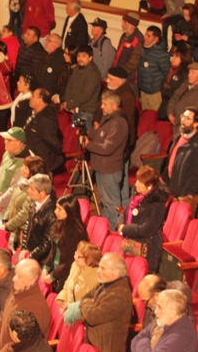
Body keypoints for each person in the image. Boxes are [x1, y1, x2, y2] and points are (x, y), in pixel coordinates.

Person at [79, 252, 134, 352]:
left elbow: (92, 316)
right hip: (97, 347)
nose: (98, 271)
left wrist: (87, 306)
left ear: (116, 272)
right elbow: (85, 297)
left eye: (103, 268)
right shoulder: (105, 283)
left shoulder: (119, 294)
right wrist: (88, 304)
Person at [0, 259, 50, 352]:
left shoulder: (36, 306)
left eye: (19, 276)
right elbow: (1, 319)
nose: (13, 278)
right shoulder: (16, 292)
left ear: (31, 280)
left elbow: (23, 343)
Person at [85, 91, 130, 229]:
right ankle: (105, 229)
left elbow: (107, 148)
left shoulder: (119, 123)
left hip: (109, 170)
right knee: (106, 202)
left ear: (114, 105)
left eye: (104, 104)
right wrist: (86, 132)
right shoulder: (109, 119)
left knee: (112, 203)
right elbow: (100, 135)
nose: (102, 107)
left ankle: (115, 231)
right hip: (102, 168)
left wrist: (88, 145)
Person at [117, 166, 169, 272]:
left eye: (140, 182)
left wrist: (125, 229)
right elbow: (126, 211)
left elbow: (147, 229)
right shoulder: (137, 195)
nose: (136, 184)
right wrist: (120, 224)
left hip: (147, 248)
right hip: (130, 241)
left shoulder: (157, 203)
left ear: (149, 186)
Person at [163, 107, 198, 217]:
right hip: (173, 192)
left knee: (183, 230)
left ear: (196, 124)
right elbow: (171, 162)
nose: (183, 120)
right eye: (183, 116)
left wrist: (187, 194)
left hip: (185, 197)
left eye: (188, 118)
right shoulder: (179, 138)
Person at [42, 194, 89, 292]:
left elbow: (68, 262)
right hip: (56, 272)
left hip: (67, 276)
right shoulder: (60, 223)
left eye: (59, 209)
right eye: (56, 208)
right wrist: (46, 268)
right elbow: (53, 249)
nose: (55, 212)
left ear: (69, 211)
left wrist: (53, 276)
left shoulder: (76, 232)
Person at [0, 127, 32, 216]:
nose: (5, 142)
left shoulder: (25, 161)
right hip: (0, 203)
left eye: (9, 140)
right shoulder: (7, 153)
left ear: (19, 143)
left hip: (11, 207)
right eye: (5, 139)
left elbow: (15, 189)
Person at [59, 45, 102, 128]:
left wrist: (69, 105)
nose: (80, 59)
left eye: (83, 56)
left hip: (86, 112)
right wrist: (66, 101)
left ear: (90, 58)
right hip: (74, 108)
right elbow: (69, 86)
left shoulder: (93, 73)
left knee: (82, 137)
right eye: (78, 56)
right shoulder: (77, 68)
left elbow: (86, 95)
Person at [53, 241, 101, 313]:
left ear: (89, 260)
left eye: (78, 256)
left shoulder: (96, 277)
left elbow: (86, 302)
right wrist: (64, 301)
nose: (75, 257)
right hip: (68, 309)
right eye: (75, 253)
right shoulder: (75, 266)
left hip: (80, 314)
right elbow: (66, 286)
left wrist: (70, 307)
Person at [24, 88, 63, 173]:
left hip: (43, 164)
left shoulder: (46, 117)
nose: (30, 98)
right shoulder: (37, 114)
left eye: (33, 96)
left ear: (40, 100)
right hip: (33, 161)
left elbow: (52, 142)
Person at [18, 173, 55, 264]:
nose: (28, 191)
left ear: (42, 193)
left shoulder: (52, 212)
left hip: (44, 260)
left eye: (32, 189)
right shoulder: (34, 204)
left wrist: (31, 257)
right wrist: (24, 248)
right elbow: (28, 228)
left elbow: (47, 243)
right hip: (33, 254)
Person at [167, 63, 198, 134]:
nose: (189, 75)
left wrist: (176, 120)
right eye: (189, 72)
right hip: (175, 125)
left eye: (193, 73)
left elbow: (195, 113)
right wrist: (170, 113)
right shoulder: (186, 83)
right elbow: (174, 97)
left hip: (188, 130)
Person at [139, 26, 171, 112]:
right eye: (145, 35)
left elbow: (167, 73)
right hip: (143, 90)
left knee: (153, 116)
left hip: (155, 93)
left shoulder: (162, 55)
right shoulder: (144, 49)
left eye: (148, 36)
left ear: (156, 38)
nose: (145, 38)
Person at [158, 42, 192, 121]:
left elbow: (178, 93)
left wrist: (166, 91)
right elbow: (162, 84)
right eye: (173, 56)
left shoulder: (185, 74)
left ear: (183, 58)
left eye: (176, 57)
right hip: (164, 107)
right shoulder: (172, 70)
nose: (173, 58)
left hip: (174, 110)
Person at [114, 12, 144, 88]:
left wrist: (120, 73)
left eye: (125, 23)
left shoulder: (138, 40)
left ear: (132, 25)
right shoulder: (124, 36)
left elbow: (134, 62)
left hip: (129, 79)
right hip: (119, 75)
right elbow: (117, 54)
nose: (122, 25)